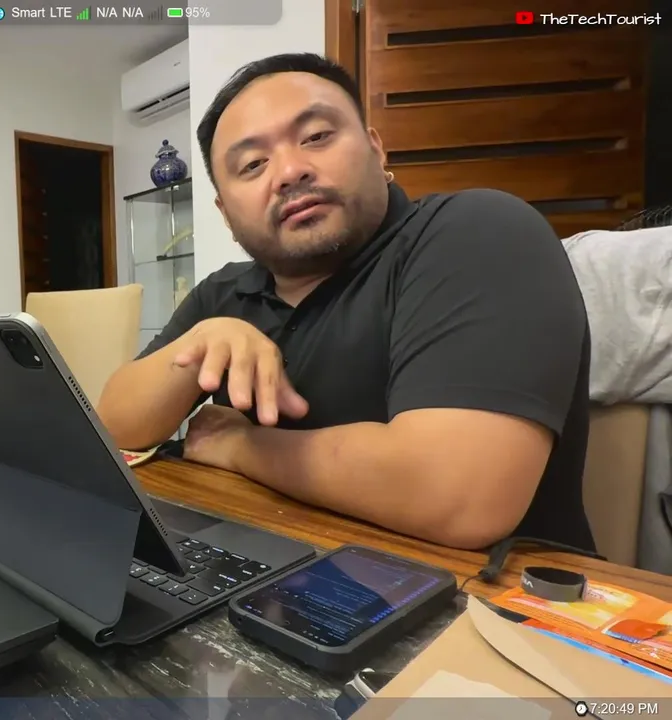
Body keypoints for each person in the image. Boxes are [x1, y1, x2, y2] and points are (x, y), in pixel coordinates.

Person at [95, 53, 594, 552]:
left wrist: (239, 444)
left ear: (376, 149)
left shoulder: (475, 233)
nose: (290, 171)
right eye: (253, 165)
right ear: (226, 213)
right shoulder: (223, 294)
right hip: (267, 559)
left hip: (476, 590)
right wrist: (207, 338)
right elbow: (116, 426)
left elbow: (456, 496)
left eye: (316, 136)